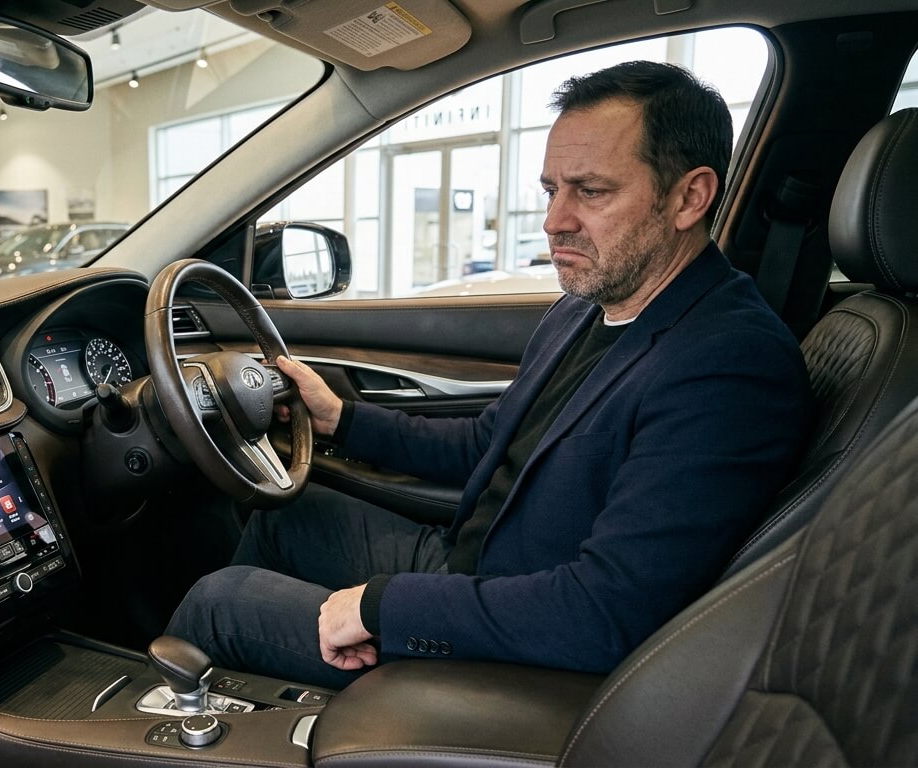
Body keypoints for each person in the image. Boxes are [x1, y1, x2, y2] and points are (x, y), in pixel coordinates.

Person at [165, 61, 812, 690]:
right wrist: (342, 418)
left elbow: (607, 613)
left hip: (521, 645)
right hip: (474, 563)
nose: (555, 220)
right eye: (551, 190)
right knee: (285, 517)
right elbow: (488, 442)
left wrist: (382, 609)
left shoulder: (728, 364)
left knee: (220, 599)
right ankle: (265, 707)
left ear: (689, 197)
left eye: (590, 191)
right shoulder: (589, 308)